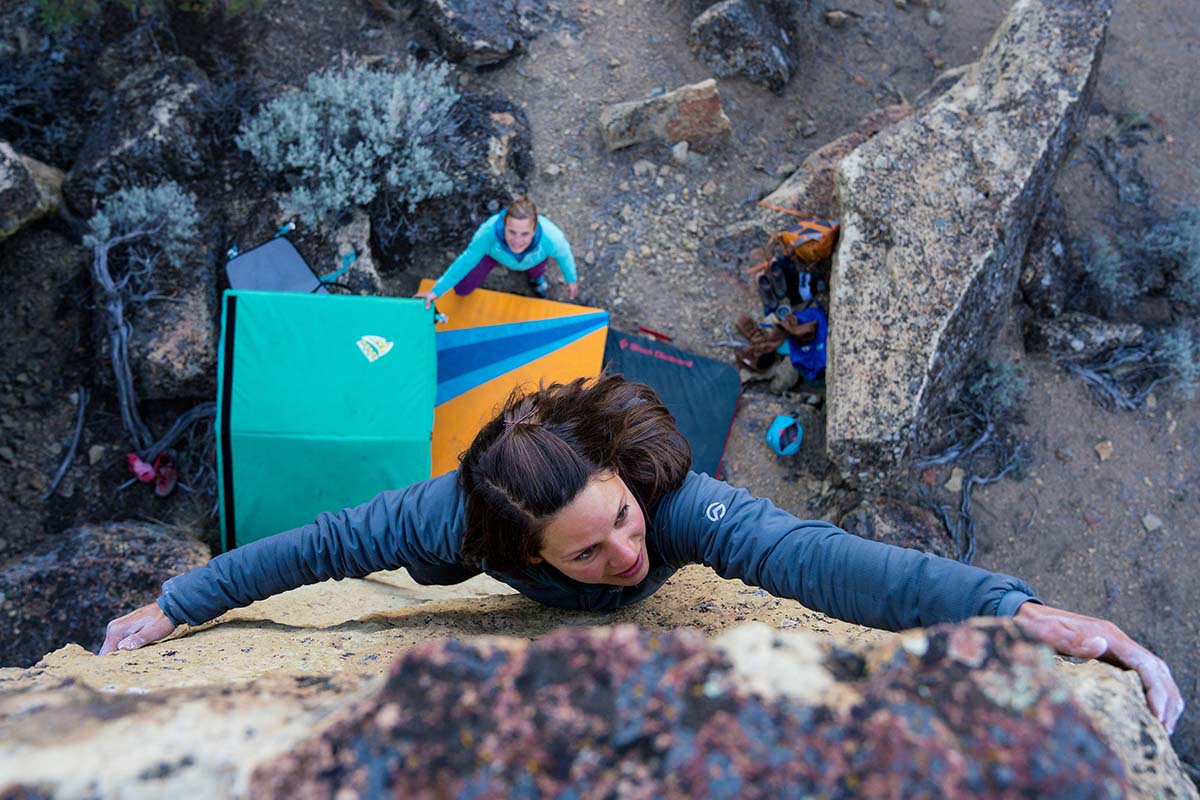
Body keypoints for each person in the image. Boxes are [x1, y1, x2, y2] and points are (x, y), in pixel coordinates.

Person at [100, 376, 1184, 735]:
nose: (625, 553)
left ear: (626, 477)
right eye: (587, 548)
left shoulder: (675, 501)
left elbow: (828, 560)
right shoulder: (451, 520)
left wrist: (1023, 613)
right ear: (523, 547)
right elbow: (323, 545)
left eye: (620, 519)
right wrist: (178, 605)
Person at [415, 197, 579, 307]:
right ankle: (533, 276)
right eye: (511, 232)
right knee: (462, 289)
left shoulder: (552, 238)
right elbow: (466, 261)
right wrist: (436, 291)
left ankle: (536, 279)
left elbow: (565, 257)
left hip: (534, 258)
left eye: (525, 234)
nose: (517, 241)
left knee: (536, 270)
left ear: (535, 230)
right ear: (504, 224)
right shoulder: (487, 233)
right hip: (493, 254)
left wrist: (571, 279)